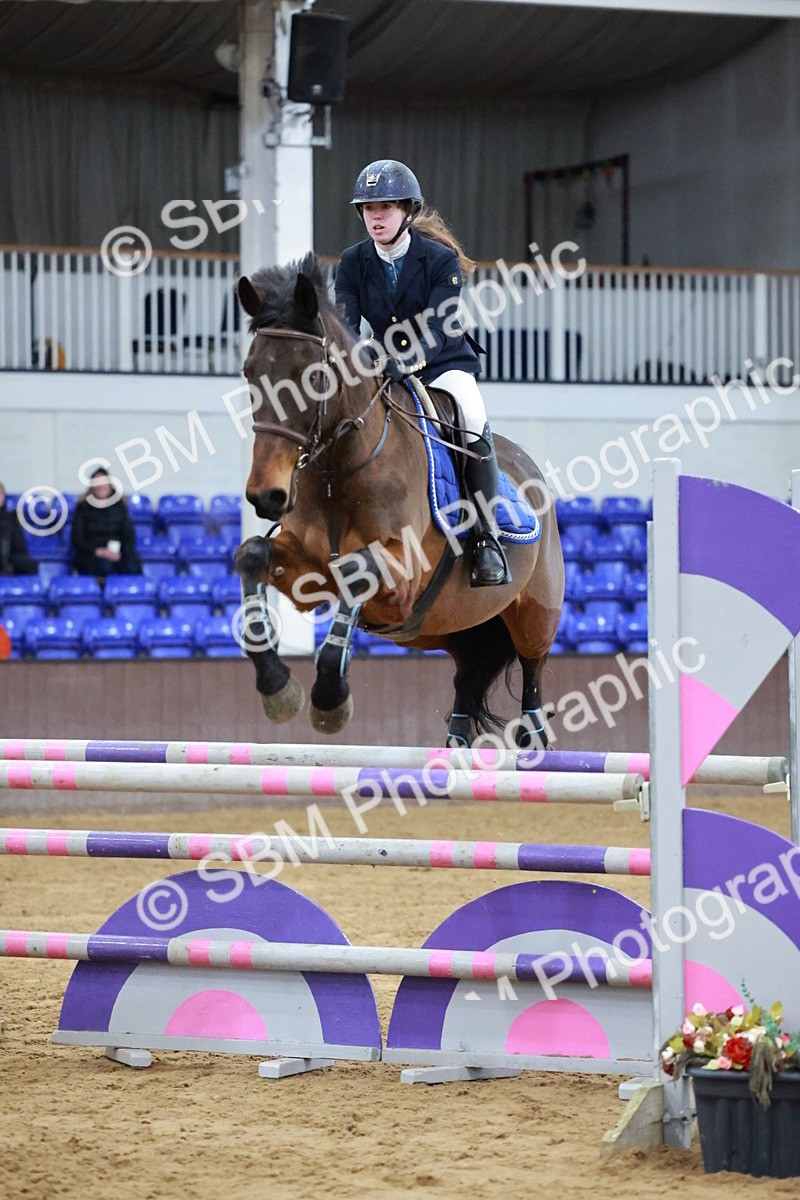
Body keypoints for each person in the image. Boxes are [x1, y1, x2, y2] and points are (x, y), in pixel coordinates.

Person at [335, 158, 510, 588]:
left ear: (407, 212)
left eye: (386, 208)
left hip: (443, 364)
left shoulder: (440, 259)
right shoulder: (353, 261)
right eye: (369, 209)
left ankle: (488, 539)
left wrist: (404, 359)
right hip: (384, 368)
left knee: (471, 418)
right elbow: (345, 325)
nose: (376, 217)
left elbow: (438, 326)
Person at [71, 469, 142, 577]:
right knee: (105, 568)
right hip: (92, 555)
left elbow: (129, 536)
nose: (100, 486)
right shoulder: (83, 508)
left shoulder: (120, 507)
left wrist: (120, 553)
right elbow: (78, 539)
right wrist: (99, 551)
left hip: (119, 554)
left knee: (132, 568)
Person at [0, 483, 36, 576]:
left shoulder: (11, 518)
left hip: (10, 558)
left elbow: (20, 546)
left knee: (29, 565)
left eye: (0, 494)